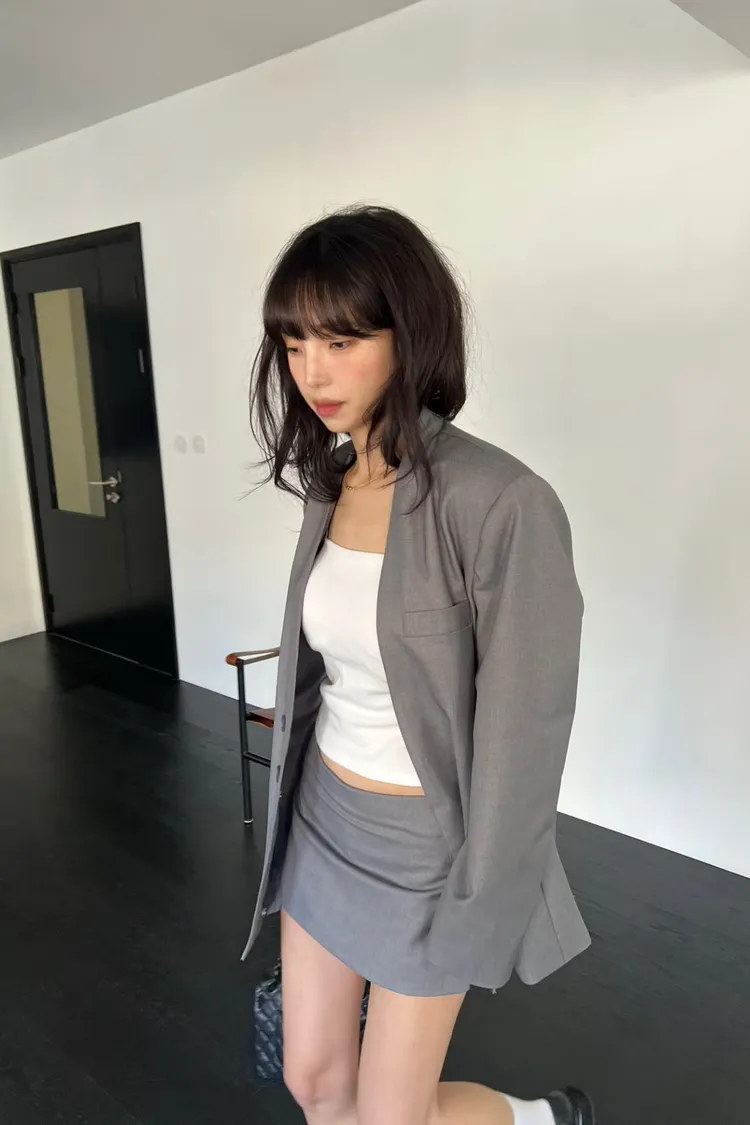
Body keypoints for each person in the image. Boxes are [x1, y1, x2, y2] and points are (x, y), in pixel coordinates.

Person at [244, 205, 594, 1125]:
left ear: (411, 334)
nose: (312, 372)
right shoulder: (332, 479)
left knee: (395, 1116)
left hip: (427, 846)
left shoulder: (501, 500)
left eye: (341, 340)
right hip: (325, 816)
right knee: (315, 1081)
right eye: (293, 344)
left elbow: (527, 732)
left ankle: (537, 1117)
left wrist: (484, 899)